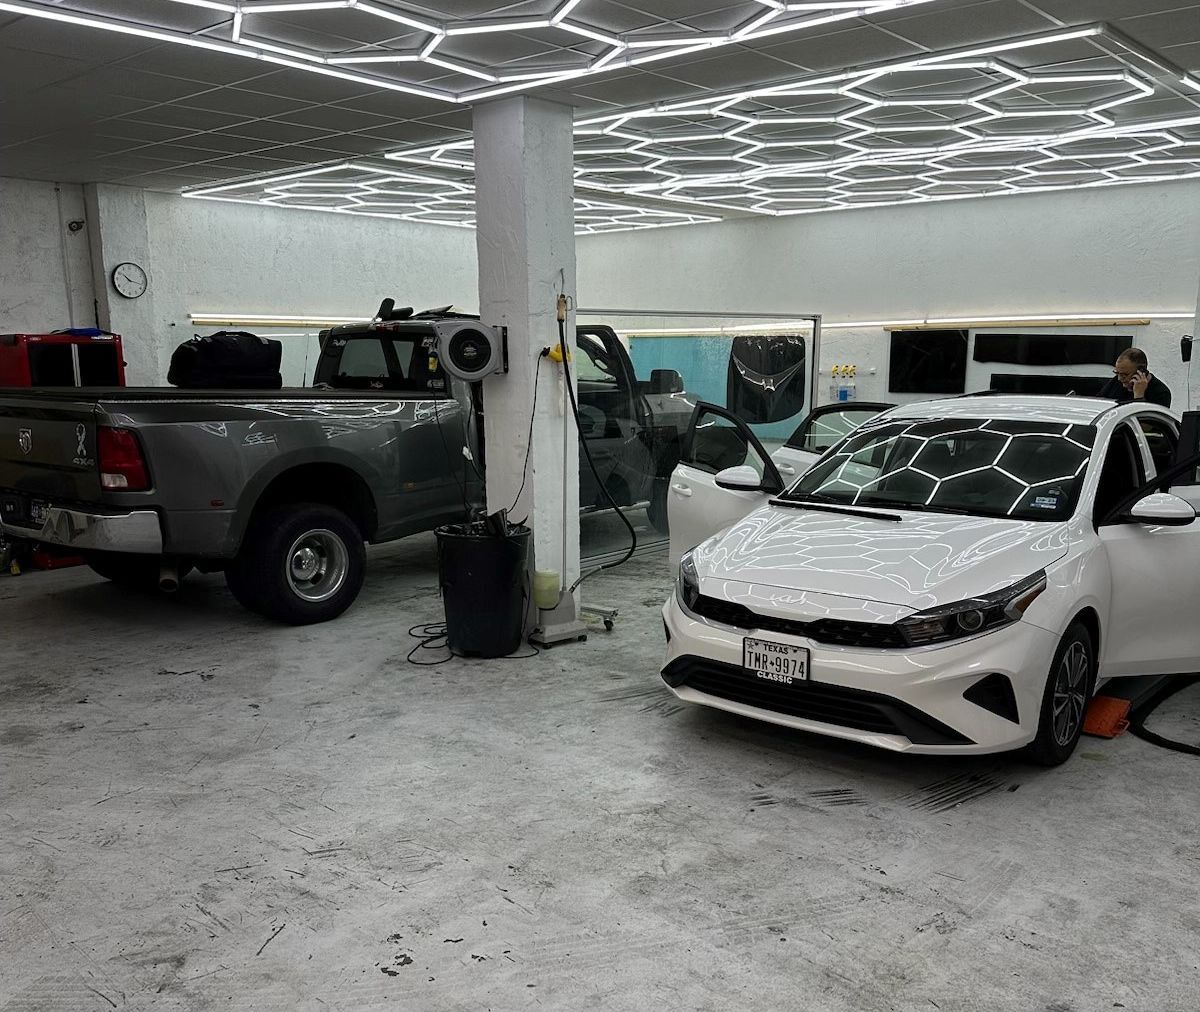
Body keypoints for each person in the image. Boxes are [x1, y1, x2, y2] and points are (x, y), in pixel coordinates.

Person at [1098, 347, 1171, 408]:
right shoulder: (1115, 382)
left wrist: (1139, 397)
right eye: (1117, 373)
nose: (1119, 379)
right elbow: (1099, 403)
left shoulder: (1161, 393)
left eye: (1124, 375)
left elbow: (1147, 424)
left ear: (1141, 371)